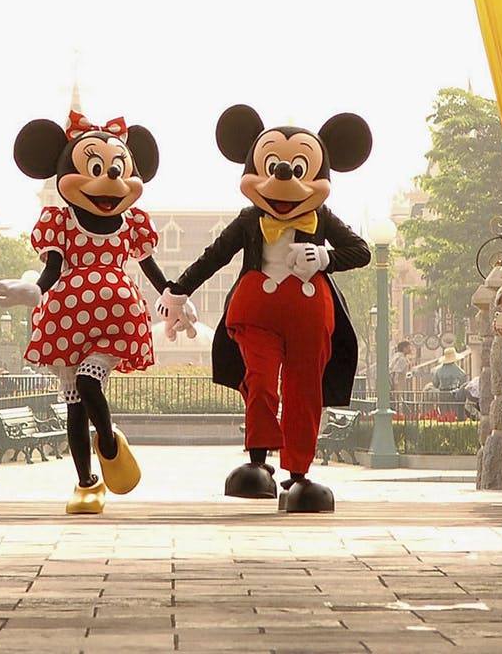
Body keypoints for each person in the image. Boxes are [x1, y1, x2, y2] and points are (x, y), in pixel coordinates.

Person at [157, 104, 372, 514]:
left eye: (297, 167)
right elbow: (214, 256)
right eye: (273, 165)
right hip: (256, 312)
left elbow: (359, 251)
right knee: (260, 381)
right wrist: (177, 289)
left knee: (304, 389)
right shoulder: (249, 220)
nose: (284, 176)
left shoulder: (322, 218)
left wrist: (324, 257)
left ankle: (298, 472)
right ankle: (258, 461)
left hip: (310, 313)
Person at [0, 110, 196, 516]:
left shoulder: (132, 223)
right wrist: (29, 290)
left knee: (88, 383)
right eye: (96, 167)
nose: (108, 179)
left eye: (117, 168)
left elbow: (153, 272)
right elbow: (51, 271)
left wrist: (175, 297)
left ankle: (108, 441)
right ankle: (86, 483)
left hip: (115, 323)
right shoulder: (60, 222)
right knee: (73, 403)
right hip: (66, 322)